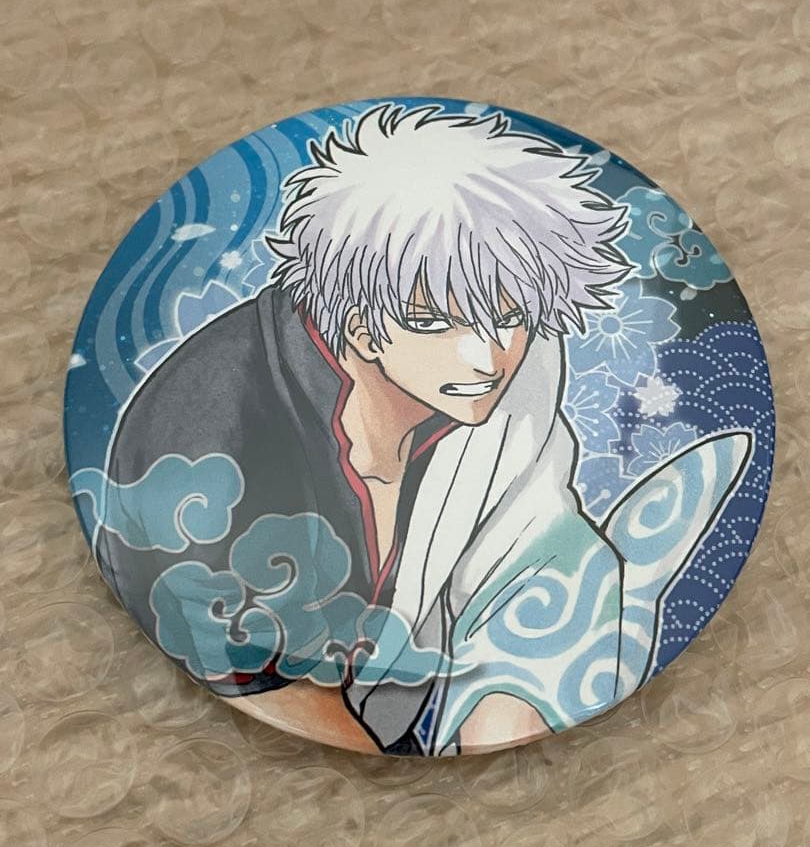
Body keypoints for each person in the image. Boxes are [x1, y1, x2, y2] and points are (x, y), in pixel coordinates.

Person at [79, 103, 751, 755]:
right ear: (361, 327)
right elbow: (240, 664)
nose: (487, 360)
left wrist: (507, 708)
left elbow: (539, 562)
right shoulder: (204, 427)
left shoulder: (517, 370)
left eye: (508, 316)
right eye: (434, 323)